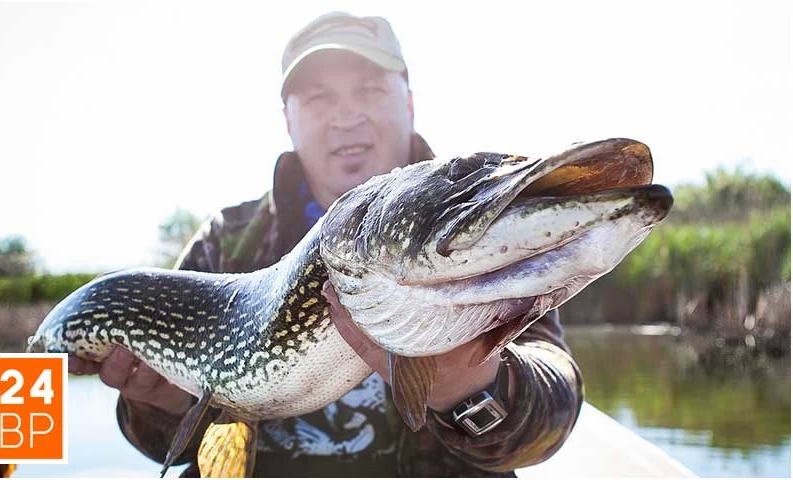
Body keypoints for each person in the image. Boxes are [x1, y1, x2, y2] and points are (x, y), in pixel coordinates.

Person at [69, 12, 583, 477]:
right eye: (319, 98)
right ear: (288, 119)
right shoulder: (227, 242)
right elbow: (172, 448)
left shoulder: (467, 229)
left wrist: (469, 389)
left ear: (408, 102)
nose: (346, 117)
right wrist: (162, 402)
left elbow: (550, 417)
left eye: (369, 90)